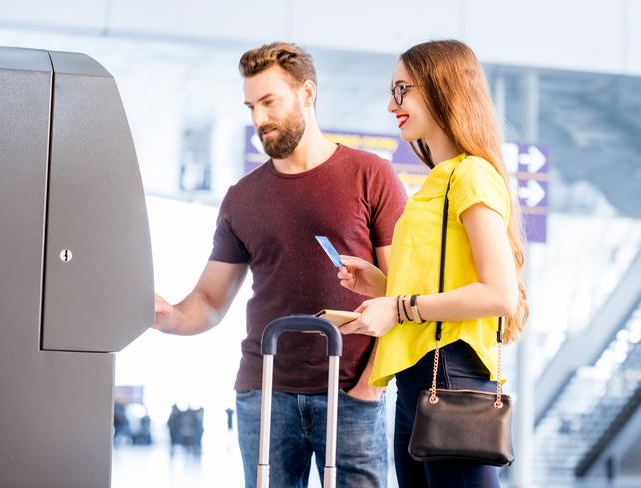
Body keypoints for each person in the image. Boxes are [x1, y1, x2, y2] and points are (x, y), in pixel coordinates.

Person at [153, 42, 406, 487]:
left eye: (269, 102)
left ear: (306, 93)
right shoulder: (242, 197)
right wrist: (166, 316)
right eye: (251, 105)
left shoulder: (372, 175)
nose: (258, 119)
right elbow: (209, 301)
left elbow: (401, 293)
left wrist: (369, 388)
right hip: (264, 391)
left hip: (349, 392)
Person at [337, 40, 528, 487]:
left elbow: (498, 294)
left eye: (402, 90)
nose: (391, 104)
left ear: (441, 88)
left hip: (450, 373)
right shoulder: (439, 181)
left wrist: (399, 306)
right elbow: (448, 282)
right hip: (421, 377)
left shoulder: (471, 175)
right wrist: (385, 287)